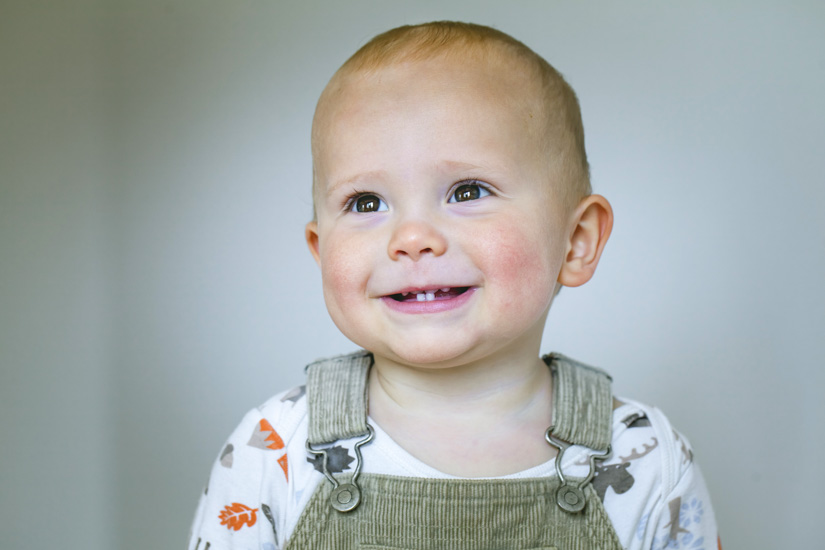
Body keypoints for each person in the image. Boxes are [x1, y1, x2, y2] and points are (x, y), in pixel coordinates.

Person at [188, 21, 719, 550]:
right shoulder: (276, 450)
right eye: (366, 202)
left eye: (467, 191)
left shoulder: (643, 458)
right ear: (320, 247)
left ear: (576, 241)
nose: (412, 237)